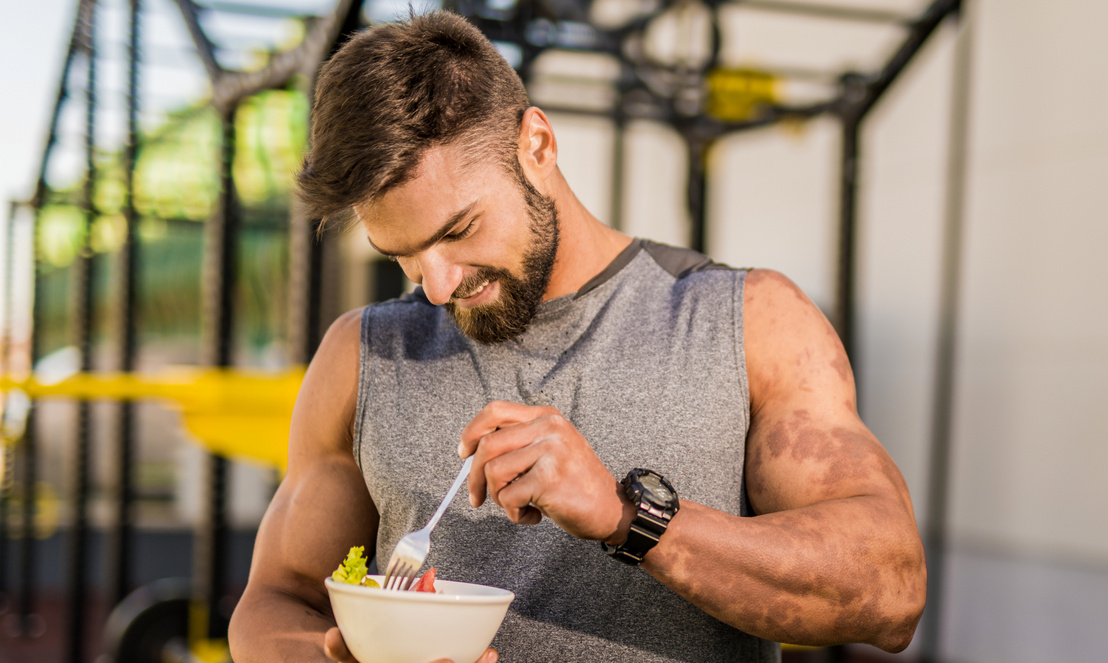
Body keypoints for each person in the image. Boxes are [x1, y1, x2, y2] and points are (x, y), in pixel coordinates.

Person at [227, 10, 926, 663]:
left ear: (537, 144)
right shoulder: (364, 355)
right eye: (403, 255)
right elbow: (275, 599)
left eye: (460, 230)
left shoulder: (748, 320)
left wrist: (630, 518)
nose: (436, 286)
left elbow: (890, 589)